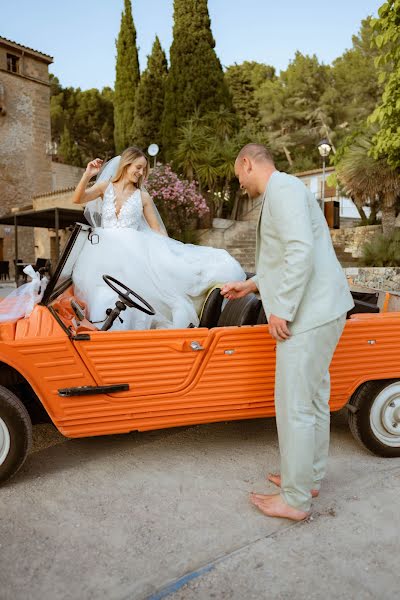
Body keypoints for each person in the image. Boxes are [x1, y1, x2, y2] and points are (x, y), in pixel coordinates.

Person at [221, 144, 354, 521]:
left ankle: (295, 500)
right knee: (311, 400)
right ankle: (307, 478)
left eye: (238, 176)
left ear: (247, 163)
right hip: (322, 309)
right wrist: (252, 285)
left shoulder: (284, 190)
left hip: (310, 314)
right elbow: (288, 255)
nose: (240, 184)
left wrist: (282, 309)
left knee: (294, 403)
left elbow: (300, 250)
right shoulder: (287, 190)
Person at [71, 146, 245, 330]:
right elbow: (78, 198)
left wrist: (170, 253)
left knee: (137, 296)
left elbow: (158, 231)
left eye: (143, 169)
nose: (140, 173)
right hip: (103, 253)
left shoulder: (143, 197)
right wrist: (88, 175)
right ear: (126, 164)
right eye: (138, 167)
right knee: (104, 296)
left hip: (132, 254)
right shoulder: (105, 187)